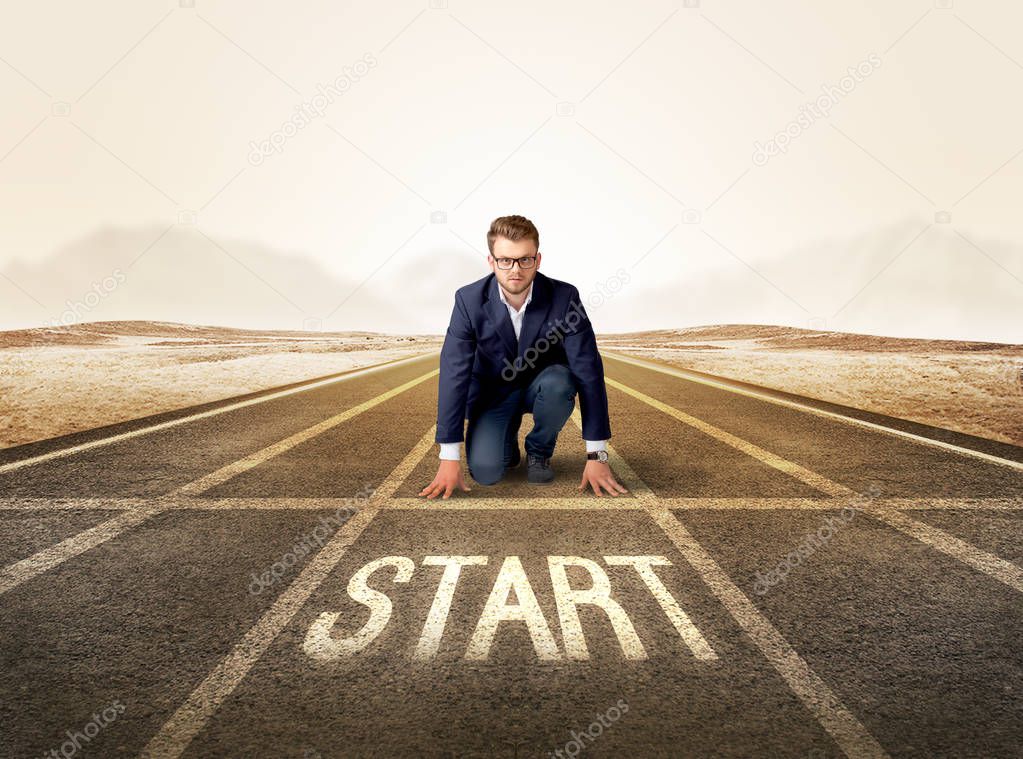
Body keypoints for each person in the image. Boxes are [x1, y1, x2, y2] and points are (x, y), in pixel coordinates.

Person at [419, 215, 628, 499]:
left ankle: (539, 452)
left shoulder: (564, 297)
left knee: (560, 382)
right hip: (493, 395)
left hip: (541, 387)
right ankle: (506, 442)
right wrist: (448, 457)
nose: (515, 269)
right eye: (505, 260)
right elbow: (454, 374)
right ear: (491, 262)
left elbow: (588, 370)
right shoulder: (468, 301)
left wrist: (598, 457)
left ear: (538, 259)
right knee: (487, 472)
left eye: (524, 260)